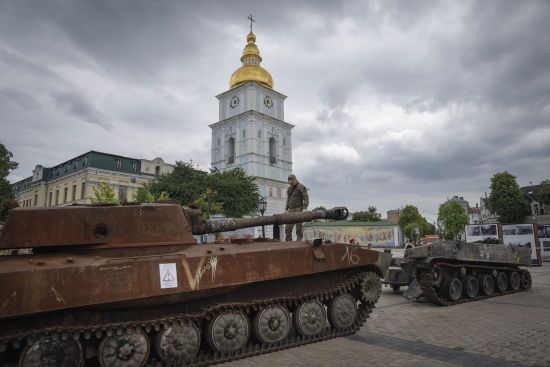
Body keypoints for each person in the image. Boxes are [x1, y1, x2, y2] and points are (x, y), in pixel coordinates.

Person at [285, 174, 309, 241]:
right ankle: (288, 243)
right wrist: (286, 209)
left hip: (299, 210)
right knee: (287, 229)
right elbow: (288, 199)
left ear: (294, 179)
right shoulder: (290, 189)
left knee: (298, 229)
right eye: (289, 181)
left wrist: (305, 207)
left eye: (291, 181)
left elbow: (306, 197)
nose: (290, 183)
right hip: (290, 211)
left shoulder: (301, 187)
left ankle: (299, 243)